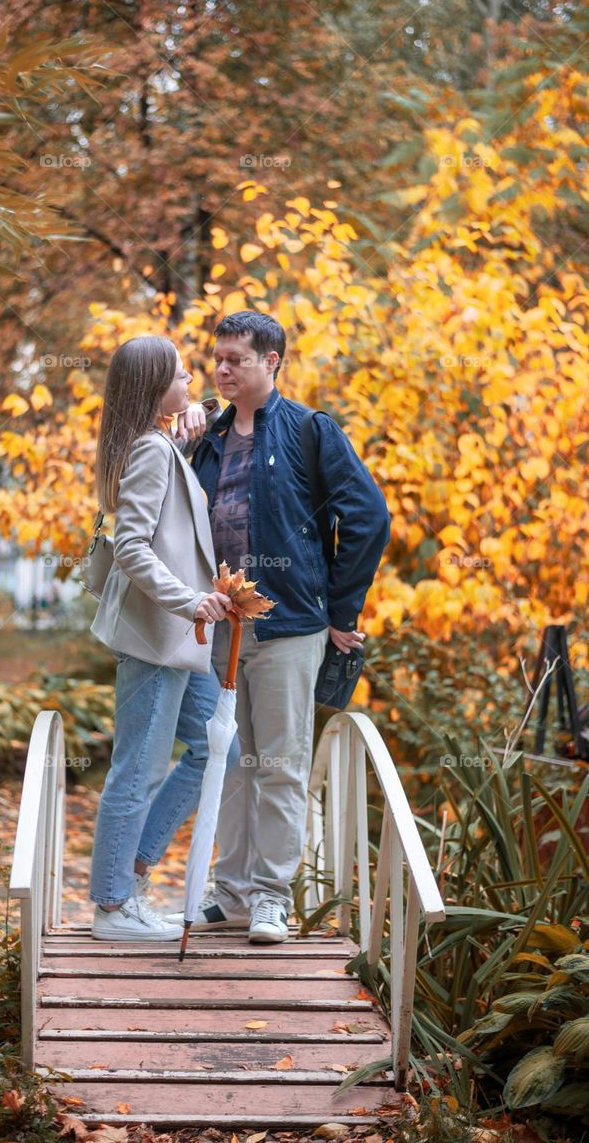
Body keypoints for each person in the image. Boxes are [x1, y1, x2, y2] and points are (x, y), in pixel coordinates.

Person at [167, 310, 391, 944]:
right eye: (217, 358)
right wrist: (183, 425)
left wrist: (338, 610)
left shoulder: (309, 431)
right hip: (217, 628)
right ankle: (231, 894)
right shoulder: (205, 435)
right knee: (230, 762)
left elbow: (369, 518)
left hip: (290, 625)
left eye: (237, 358)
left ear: (272, 362)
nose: (222, 369)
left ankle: (272, 898)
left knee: (282, 764)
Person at [88, 335, 235, 940]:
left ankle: (136, 868)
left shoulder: (157, 444)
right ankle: (112, 907)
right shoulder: (150, 450)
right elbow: (131, 547)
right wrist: (191, 599)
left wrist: (188, 429)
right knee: (138, 770)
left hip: (179, 639)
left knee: (211, 747)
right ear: (154, 387)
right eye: (181, 376)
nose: (192, 382)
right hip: (159, 635)